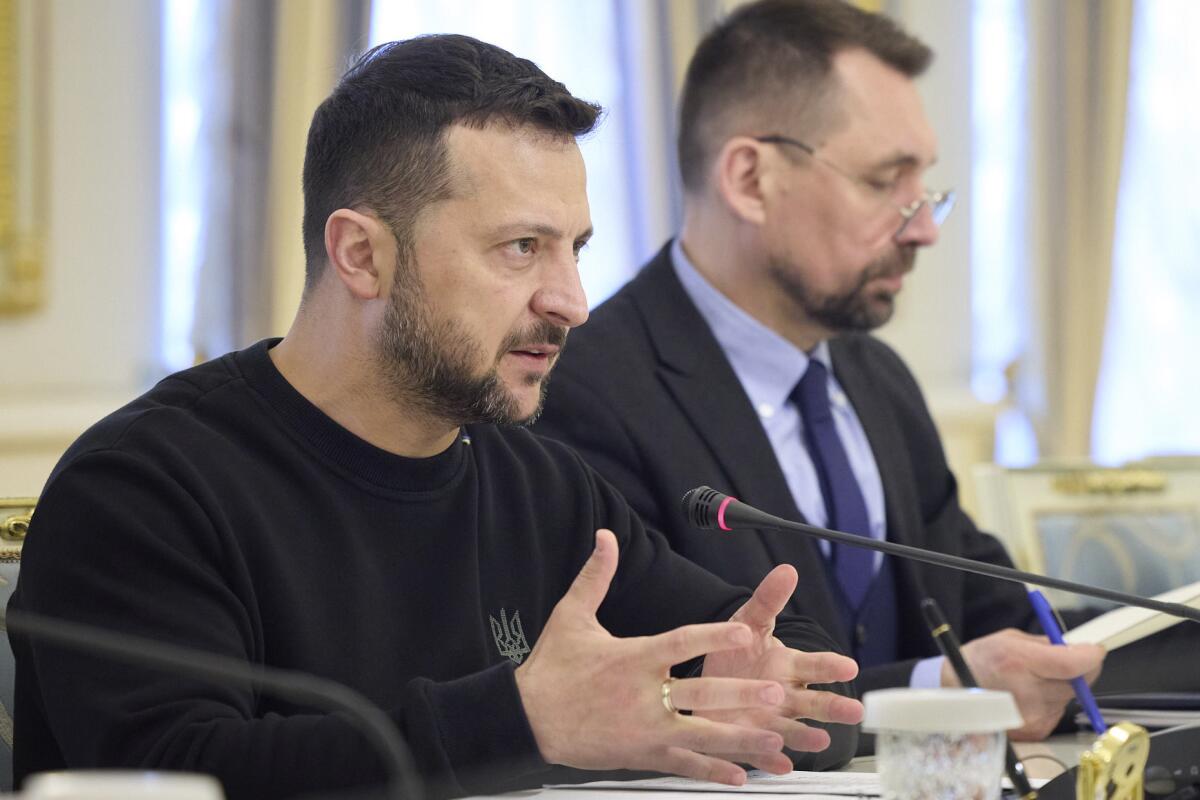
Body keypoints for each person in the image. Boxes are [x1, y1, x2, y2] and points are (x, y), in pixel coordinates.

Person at [8, 35, 864, 800]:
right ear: (361, 254)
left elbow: (804, 681)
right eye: (521, 248)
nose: (571, 301)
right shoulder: (144, 485)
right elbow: (177, 773)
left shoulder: (541, 486)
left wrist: (762, 693)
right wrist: (522, 721)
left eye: (577, 249)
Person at [533, 0, 1106, 743]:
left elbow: (989, 609)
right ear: (749, 179)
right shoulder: (582, 392)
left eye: (924, 184)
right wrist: (939, 690)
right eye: (884, 182)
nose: (925, 226)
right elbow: (682, 689)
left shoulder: (878, 380)